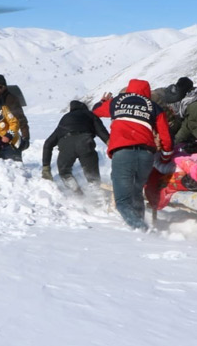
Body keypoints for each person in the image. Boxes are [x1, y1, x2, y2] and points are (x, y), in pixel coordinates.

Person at [93, 78, 173, 231]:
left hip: (123, 153)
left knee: (122, 201)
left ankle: (142, 229)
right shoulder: (154, 107)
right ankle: (140, 227)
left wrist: (103, 101)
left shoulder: (117, 102)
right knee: (136, 193)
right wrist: (165, 156)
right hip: (146, 155)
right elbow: (165, 137)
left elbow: (96, 111)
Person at [42, 100, 110, 193]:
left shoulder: (65, 118)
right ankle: (97, 197)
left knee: (65, 172)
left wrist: (46, 168)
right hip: (84, 142)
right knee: (92, 177)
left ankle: (78, 195)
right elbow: (101, 131)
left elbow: (48, 143)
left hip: (66, 145)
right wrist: (111, 144)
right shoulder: (89, 114)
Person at [0, 74, 30, 151]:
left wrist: (25, 137)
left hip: (10, 135)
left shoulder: (11, 100)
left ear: (4, 87)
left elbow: (21, 119)